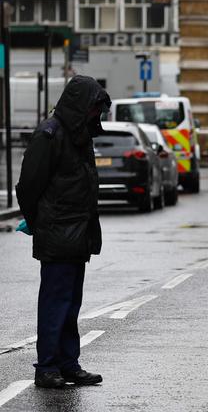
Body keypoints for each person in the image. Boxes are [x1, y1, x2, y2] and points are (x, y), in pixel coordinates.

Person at [16, 75, 111, 389]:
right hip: (57, 234)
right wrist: (40, 223)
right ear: (79, 105)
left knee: (71, 304)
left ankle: (69, 364)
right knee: (55, 304)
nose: (96, 114)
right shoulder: (51, 134)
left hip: (77, 234)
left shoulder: (79, 136)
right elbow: (27, 187)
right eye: (94, 107)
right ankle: (47, 368)